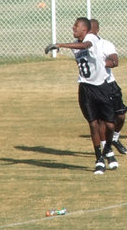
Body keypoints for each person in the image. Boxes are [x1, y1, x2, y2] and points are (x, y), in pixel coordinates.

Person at [47, 17, 119, 175]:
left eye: (76, 26)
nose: (73, 28)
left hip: (102, 87)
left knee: (110, 125)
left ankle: (108, 150)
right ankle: (99, 159)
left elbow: (86, 45)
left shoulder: (90, 38)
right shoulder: (76, 44)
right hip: (86, 88)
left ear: (85, 30)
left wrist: (60, 45)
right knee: (93, 124)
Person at [91, 18, 127, 157]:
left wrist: (100, 64)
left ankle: (114, 139)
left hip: (110, 84)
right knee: (102, 120)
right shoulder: (83, 47)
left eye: (91, 31)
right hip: (95, 87)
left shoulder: (105, 44)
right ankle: (105, 149)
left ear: (97, 30)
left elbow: (114, 61)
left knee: (120, 115)